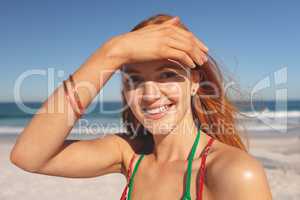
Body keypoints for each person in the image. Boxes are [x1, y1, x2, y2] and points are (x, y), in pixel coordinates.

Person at [10, 14, 272, 199]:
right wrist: (112, 52)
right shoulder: (130, 155)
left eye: (167, 74)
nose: (148, 94)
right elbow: (29, 155)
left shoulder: (234, 171)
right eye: (135, 79)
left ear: (194, 82)